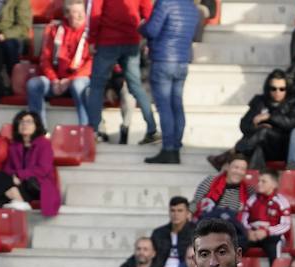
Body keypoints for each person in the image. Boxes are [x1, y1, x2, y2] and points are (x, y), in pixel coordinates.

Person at [85, 0, 160, 144]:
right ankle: (152, 129)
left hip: (107, 41)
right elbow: (149, 14)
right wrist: (148, 39)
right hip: (131, 41)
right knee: (136, 87)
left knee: (96, 87)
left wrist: (92, 39)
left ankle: (94, 131)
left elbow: (95, 13)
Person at [141, 0, 199, 165]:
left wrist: (142, 26)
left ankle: (168, 149)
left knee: (165, 106)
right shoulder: (192, 7)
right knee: (177, 105)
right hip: (182, 61)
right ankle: (175, 148)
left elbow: (152, 30)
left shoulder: (165, 3)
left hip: (163, 59)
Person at [27, 0, 91, 131]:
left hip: (78, 79)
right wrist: (54, 80)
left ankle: (86, 130)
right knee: (34, 84)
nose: (80, 16)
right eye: (75, 12)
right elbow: (45, 59)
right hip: (56, 80)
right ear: (66, 15)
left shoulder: (91, 32)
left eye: (81, 12)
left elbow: (91, 63)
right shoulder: (54, 31)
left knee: (79, 85)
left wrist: (70, 80)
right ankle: (40, 131)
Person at [0, 109, 59, 215]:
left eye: (29, 122)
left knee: (11, 188)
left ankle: (14, 199)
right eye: (21, 122)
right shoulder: (13, 145)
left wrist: (19, 175)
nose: (24, 124)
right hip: (18, 183)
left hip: (36, 184)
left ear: (36, 125)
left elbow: (43, 169)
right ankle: (19, 200)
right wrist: (13, 176)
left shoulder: (44, 144)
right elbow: (7, 168)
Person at [231, 70, 295, 170]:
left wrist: (270, 117)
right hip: (262, 145)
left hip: (282, 146)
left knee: (264, 132)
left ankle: (234, 153)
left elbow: (293, 124)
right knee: (259, 146)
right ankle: (252, 179)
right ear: (268, 88)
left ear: (287, 89)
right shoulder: (260, 101)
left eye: (282, 89)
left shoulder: (293, 103)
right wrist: (257, 127)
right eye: (273, 88)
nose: (277, 92)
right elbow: (244, 125)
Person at [240, 169, 291, 261]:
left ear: (274, 184)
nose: (259, 184)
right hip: (253, 234)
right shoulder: (252, 200)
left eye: (264, 181)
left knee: (274, 245)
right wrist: (249, 231)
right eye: (259, 181)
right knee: (237, 245)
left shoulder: (281, 201)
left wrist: (267, 232)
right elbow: (244, 220)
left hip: (272, 235)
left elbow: (285, 225)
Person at [192, 151, 252, 224]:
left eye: (242, 169)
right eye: (236, 167)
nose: (238, 172)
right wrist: (189, 212)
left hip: (231, 229)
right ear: (227, 167)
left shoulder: (248, 190)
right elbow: (196, 202)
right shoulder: (211, 180)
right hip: (205, 224)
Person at [150, 195, 194, 267]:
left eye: (180, 211)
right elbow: (152, 259)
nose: (176, 214)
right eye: (172, 210)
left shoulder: (195, 233)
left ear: (187, 213)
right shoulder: (158, 233)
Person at [0, 0, 33, 74]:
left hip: (11, 36)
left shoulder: (20, 1)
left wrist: (4, 35)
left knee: (9, 45)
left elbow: (24, 26)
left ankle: (13, 78)